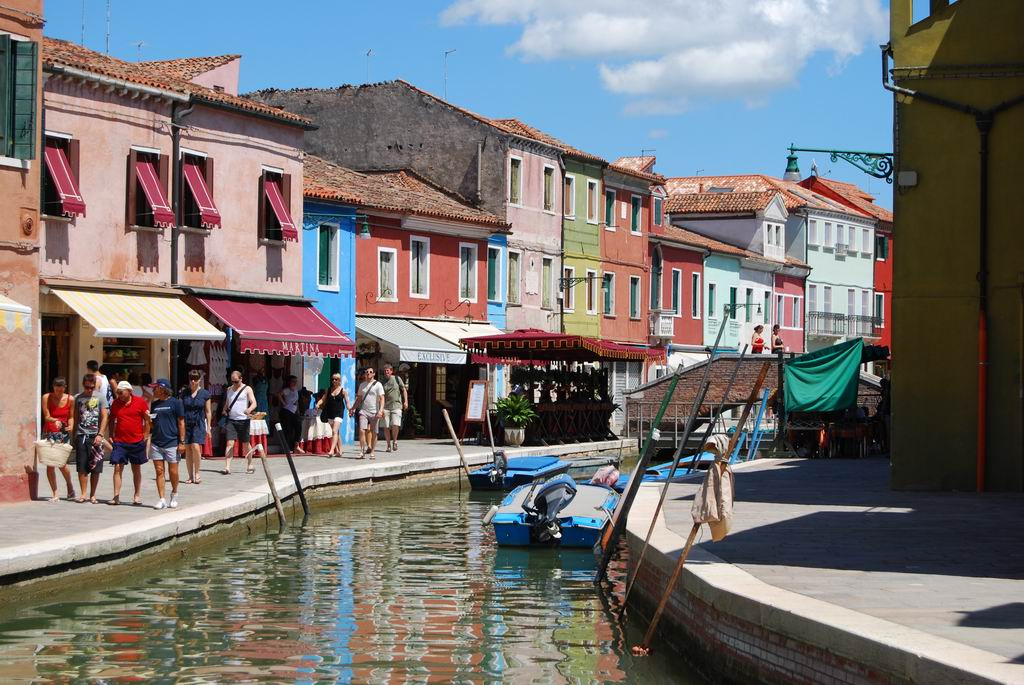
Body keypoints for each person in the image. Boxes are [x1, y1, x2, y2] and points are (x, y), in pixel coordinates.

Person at [109, 380, 151, 506]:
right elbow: (112, 420)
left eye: (121, 392)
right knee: (117, 467)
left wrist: (145, 435)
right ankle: (116, 496)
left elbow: (147, 420)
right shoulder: (116, 403)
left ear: (129, 391)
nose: (119, 395)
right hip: (120, 441)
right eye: (118, 393)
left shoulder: (140, 402)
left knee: (136, 468)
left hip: (136, 440)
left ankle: (137, 495)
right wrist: (111, 434)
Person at [149, 379, 185, 510]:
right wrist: (148, 420)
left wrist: (182, 442)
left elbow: (181, 423)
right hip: (157, 442)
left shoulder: (176, 403)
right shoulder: (154, 404)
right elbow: (152, 424)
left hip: (172, 442)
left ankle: (174, 493)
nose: (153, 390)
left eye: (155, 388)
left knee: (173, 471)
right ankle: (162, 499)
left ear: (162, 389)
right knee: (159, 471)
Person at [72, 373, 108, 504]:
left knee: (95, 467)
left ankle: (93, 495)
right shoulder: (78, 398)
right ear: (83, 385)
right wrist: (74, 435)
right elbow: (75, 417)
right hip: (82, 435)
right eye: (87, 387)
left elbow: (105, 417)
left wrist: (100, 434)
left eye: (92, 387)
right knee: (82, 467)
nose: (89, 390)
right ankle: (83, 494)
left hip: (95, 436)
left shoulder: (100, 397)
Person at [41, 377, 75, 503]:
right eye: (56, 390)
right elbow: (47, 416)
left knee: (61, 464)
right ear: (53, 388)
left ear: (65, 388)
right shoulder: (46, 397)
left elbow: (71, 416)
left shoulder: (70, 399)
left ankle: (69, 485)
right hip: (50, 432)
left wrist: (71, 425)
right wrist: (56, 421)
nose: (58, 393)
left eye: (61, 391)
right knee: (50, 464)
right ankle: (55, 493)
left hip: (63, 434)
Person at [220, 370, 256, 475]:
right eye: (232, 381)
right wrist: (224, 410)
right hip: (231, 420)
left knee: (245, 443)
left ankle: (250, 464)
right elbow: (228, 402)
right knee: (229, 442)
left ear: (241, 379)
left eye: (236, 381)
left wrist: (249, 409)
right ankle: (227, 466)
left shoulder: (247, 389)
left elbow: (254, 402)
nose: (234, 384)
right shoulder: (229, 389)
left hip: (244, 420)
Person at [180, 370, 212, 484]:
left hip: (198, 423)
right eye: (191, 379)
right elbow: (180, 409)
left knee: (195, 446)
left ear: (199, 380)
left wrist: (209, 427)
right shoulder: (184, 393)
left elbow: (208, 412)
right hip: (186, 422)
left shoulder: (205, 394)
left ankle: (197, 473)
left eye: (195, 379)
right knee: (188, 449)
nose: (193, 381)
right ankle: (190, 475)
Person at [352, 367, 384, 459]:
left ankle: (372, 451)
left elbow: (382, 398)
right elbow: (358, 399)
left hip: (375, 412)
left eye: (370, 372)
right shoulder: (362, 385)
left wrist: (381, 411)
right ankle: (362, 451)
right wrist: (353, 408)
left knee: (374, 432)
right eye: (367, 372)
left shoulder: (378, 385)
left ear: (374, 374)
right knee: (362, 430)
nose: (368, 373)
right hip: (364, 411)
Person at [315, 373, 349, 458]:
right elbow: (323, 399)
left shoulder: (343, 391)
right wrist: (318, 404)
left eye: (336, 379)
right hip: (330, 413)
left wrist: (350, 409)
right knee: (336, 432)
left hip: (339, 413)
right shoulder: (328, 390)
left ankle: (331, 450)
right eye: (333, 379)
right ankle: (339, 450)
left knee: (334, 431)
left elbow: (347, 402)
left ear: (339, 381)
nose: (334, 381)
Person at [381, 363, 408, 453]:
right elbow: (380, 396)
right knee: (386, 426)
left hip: (396, 405)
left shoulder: (397, 379)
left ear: (391, 371)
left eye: (387, 371)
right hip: (385, 407)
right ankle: (388, 445)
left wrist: (405, 401)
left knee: (395, 425)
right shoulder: (382, 382)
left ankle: (395, 441)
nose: (386, 373)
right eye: (385, 371)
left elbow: (403, 390)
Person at [276, 375, 304, 455]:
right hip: (287, 411)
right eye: (293, 381)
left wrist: (298, 410)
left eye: (296, 381)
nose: (295, 383)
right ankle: (286, 448)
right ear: (289, 382)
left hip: (294, 412)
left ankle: (296, 446)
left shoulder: (296, 390)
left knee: (298, 427)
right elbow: (278, 394)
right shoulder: (287, 390)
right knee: (287, 430)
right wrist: (284, 403)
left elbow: (297, 401)